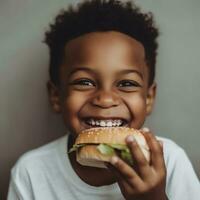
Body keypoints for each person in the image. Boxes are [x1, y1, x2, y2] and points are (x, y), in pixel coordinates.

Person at [7, 0, 200, 199]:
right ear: (56, 96)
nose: (106, 100)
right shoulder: (31, 171)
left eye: (126, 84)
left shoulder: (171, 160)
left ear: (148, 98)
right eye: (84, 82)